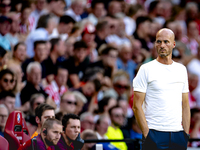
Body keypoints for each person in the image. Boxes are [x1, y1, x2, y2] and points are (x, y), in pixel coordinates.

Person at [132, 28, 190, 150]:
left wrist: (185, 133)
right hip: (154, 132)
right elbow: (137, 105)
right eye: (158, 42)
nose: (162, 45)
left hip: (178, 133)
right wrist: (147, 134)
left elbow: (185, 104)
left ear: (173, 44)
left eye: (166, 42)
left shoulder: (181, 69)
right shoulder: (146, 69)